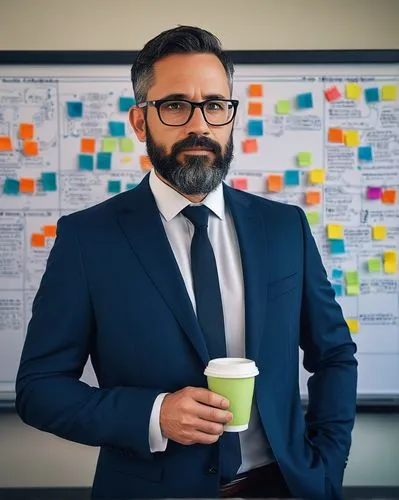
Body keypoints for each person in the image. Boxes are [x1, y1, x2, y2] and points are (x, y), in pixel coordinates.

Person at [16, 26, 357, 500]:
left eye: (215, 105)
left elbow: (335, 355)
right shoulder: (87, 239)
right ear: (140, 122)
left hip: (285, 488)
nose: (200, 124)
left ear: (231, 117)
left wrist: (326, 469)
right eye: (175, 105)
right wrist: (154, 415)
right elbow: (39, 388)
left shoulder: (285, 228)